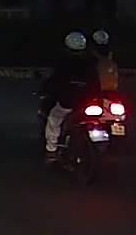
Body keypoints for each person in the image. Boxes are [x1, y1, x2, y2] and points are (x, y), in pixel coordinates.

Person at [41, 31, 99, 162]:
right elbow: (96, 82)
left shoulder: (63, 64)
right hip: (88, 103)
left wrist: (46, 90)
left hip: (68, 102)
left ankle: (51, 150)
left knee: (54, 119)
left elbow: (53, 81)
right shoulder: (91, 63)